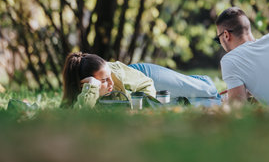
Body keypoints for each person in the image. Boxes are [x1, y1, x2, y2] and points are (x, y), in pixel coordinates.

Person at [61, 52, 220, 108]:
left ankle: (203, 81)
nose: (110, 83)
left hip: (144, 77)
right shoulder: (82, 94)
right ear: (85, 84)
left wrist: (141, 105)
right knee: (194, 104)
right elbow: (79, 117)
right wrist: (92, 89)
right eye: (103, 80)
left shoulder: (116, 72)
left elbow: (146, 84)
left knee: (205, 90)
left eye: (110, 78)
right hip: (136, 92)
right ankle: (219, 101)